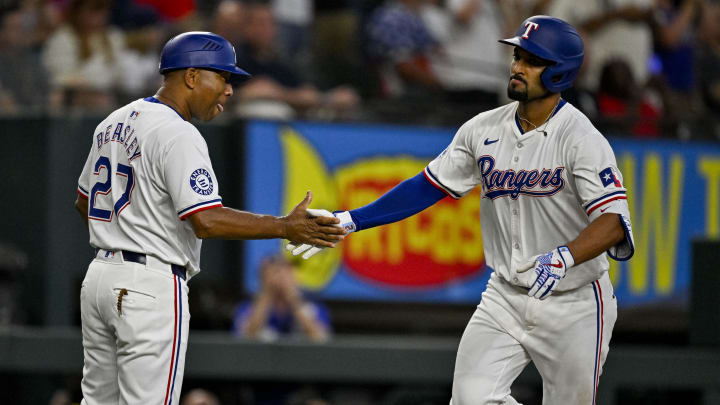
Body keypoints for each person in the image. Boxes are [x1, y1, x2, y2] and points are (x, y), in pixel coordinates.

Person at [290, 16, 635, 404]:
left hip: (575, 301)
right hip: (505, 294)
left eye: (532, 60)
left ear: (559, 73)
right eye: (518, 55)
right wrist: (351, 219)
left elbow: (613, 223)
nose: (517, 67)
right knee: (470, 398)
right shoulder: (482, 128)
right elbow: (426, 186)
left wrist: (565, 257)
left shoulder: (583, 139)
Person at [74, 31, 345, 405]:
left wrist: (132, 225)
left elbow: (83, 202)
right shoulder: (177, 132)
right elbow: (207, 220)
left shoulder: (113, 121)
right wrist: (285, 226)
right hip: (149, 282)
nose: (229, 90)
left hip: (99, 278)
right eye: (222, 77)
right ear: (190, 76)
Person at [233, 254, 331, 342]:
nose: (280, 278)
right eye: (273, 273)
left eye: (286, 273)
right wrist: (267, 294)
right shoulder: (248, 307)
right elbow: (245, 338)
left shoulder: (312, 307)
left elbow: (320, 339)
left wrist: (293, 299)